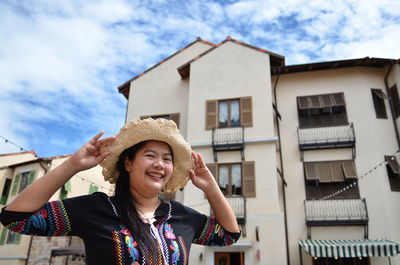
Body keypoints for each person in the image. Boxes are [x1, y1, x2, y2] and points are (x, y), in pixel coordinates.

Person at [0, 118, 240, 265]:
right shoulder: (97, 208)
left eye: (167, 159)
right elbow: (16, 219)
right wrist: (72, 165)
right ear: (128, 163)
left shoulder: (180, 215)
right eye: (150, 156)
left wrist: (211, 188)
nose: (159, 164)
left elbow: (229, 235)